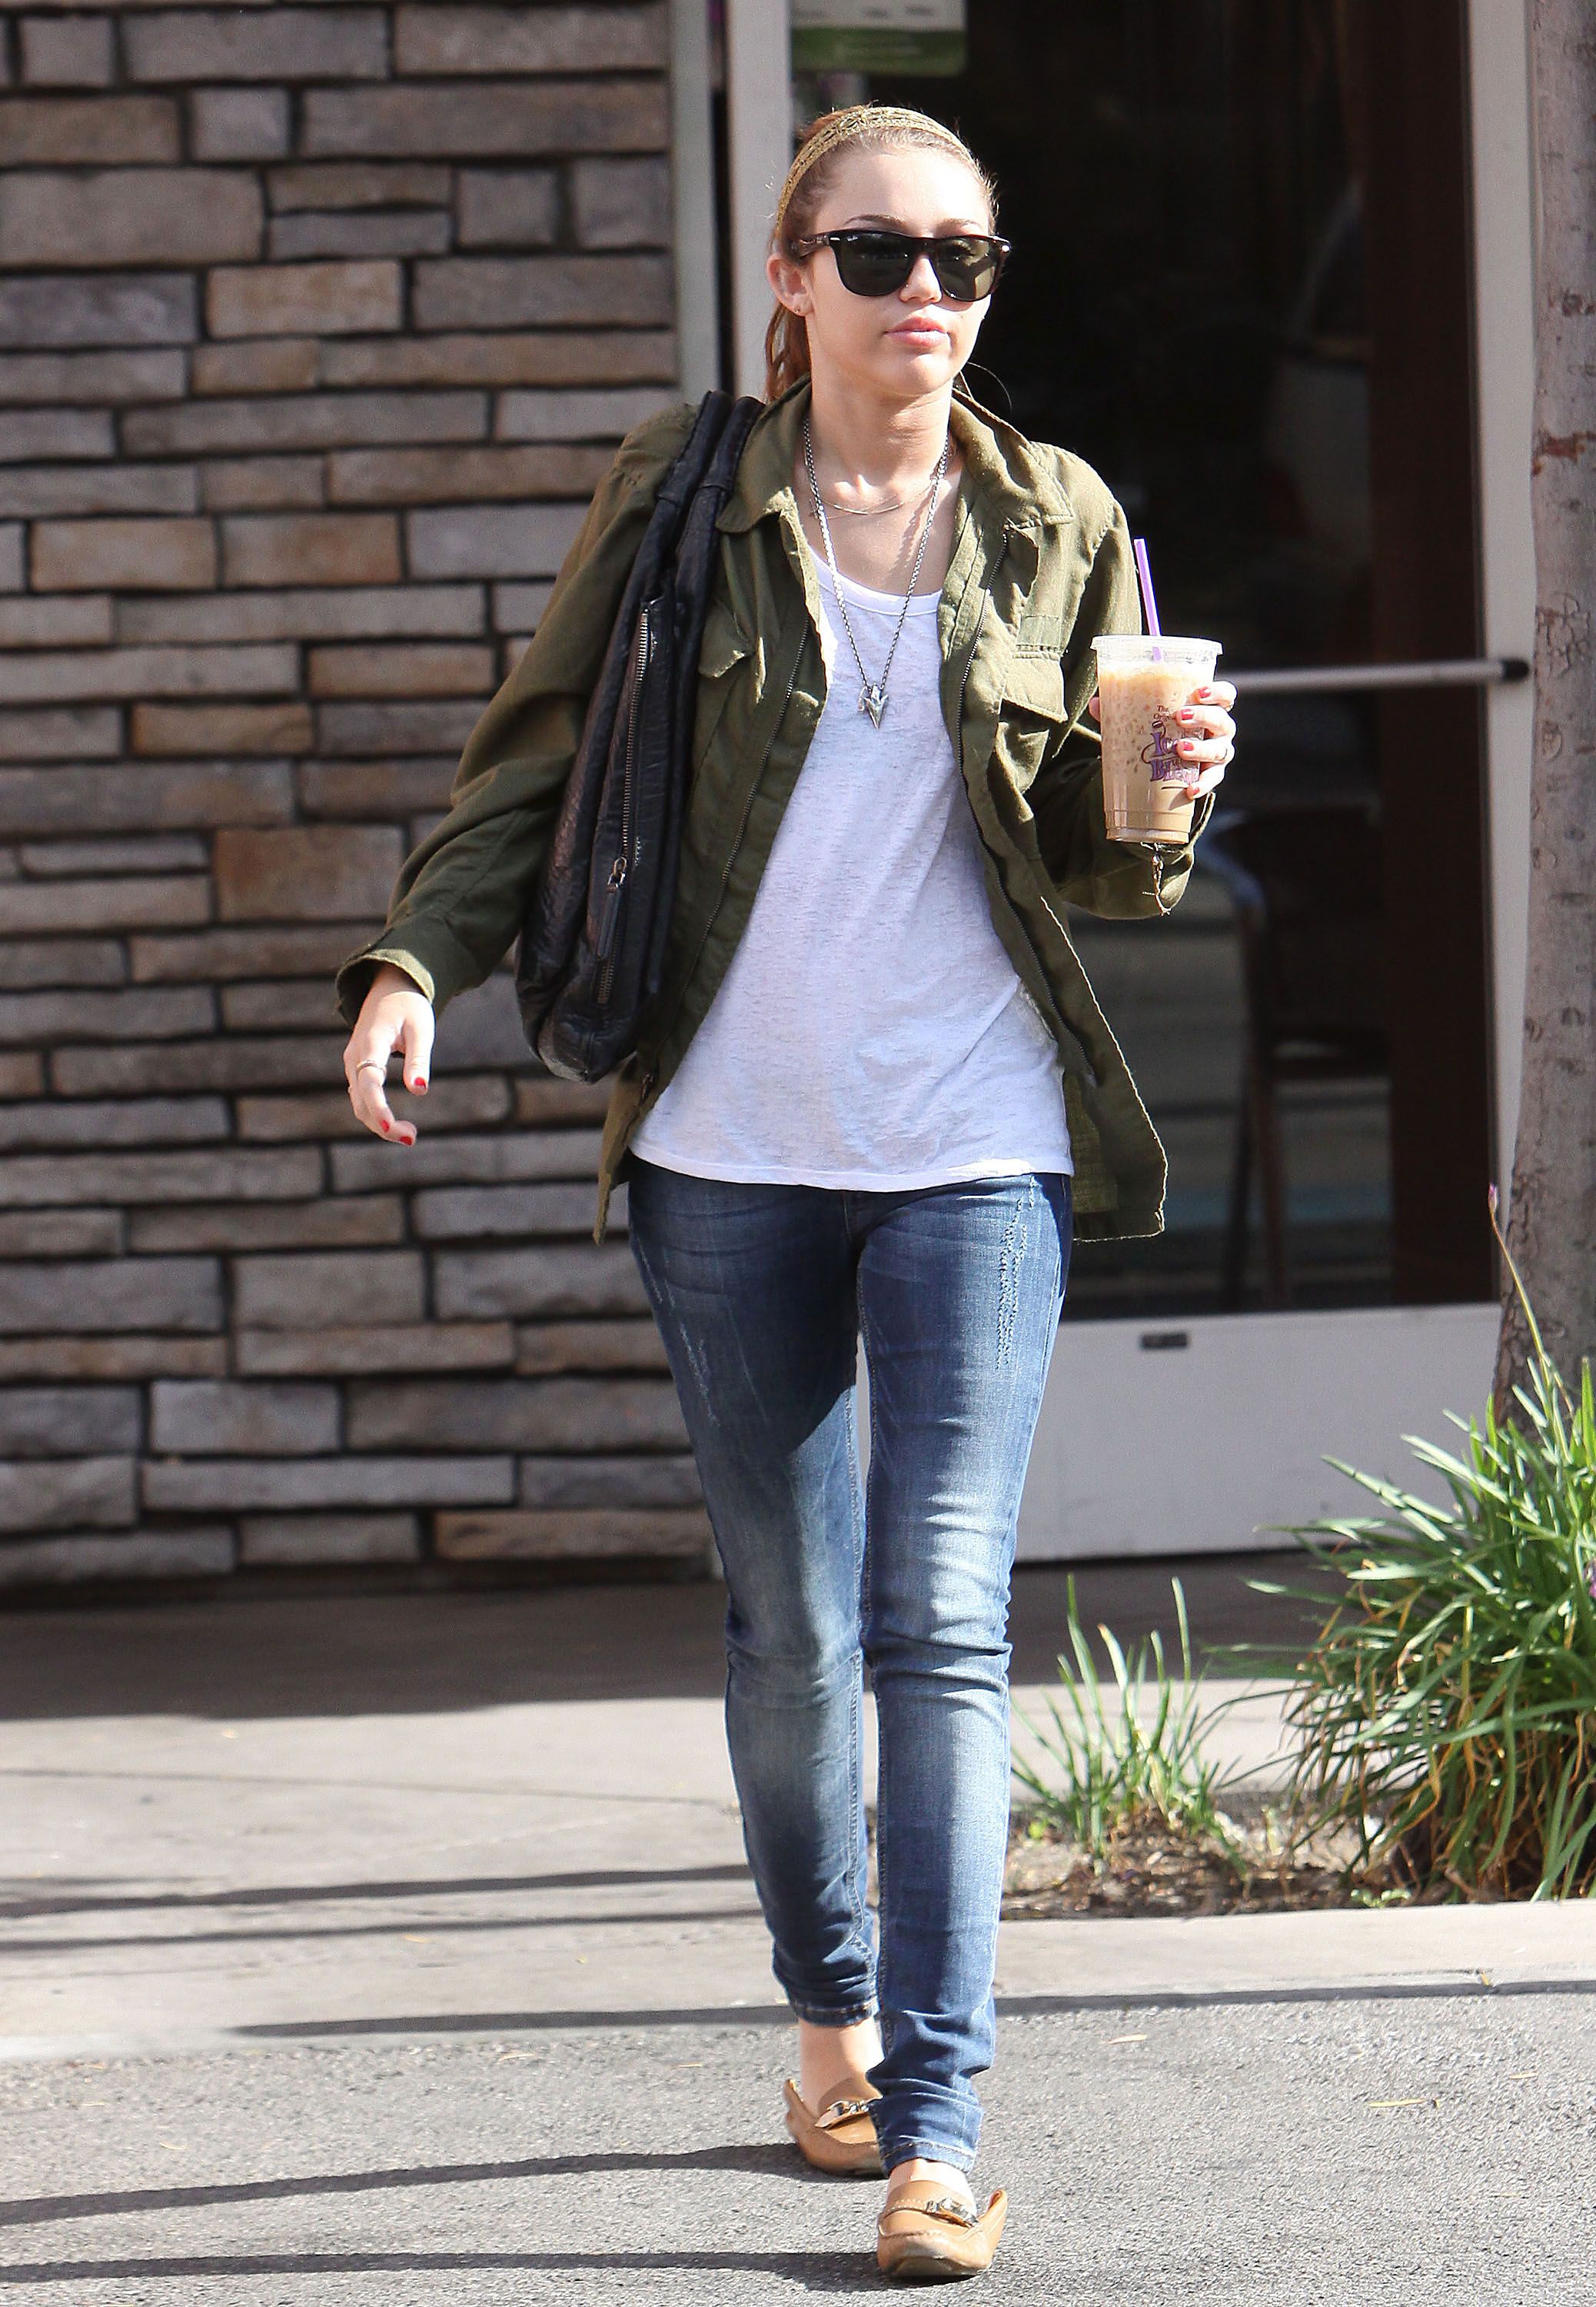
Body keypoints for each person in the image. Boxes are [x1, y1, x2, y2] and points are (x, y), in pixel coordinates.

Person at [337, 102, 1235, 2287]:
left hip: (972, 1141)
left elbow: (1105, 869)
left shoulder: (1060, 517)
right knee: (790, 1629)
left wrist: (1166, 794)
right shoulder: (681, 494)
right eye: (879, 252)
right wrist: (415, 958)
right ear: (789, 274)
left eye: (964, 260)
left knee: (940, 1621)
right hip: (727, 1149)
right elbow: (534, 753)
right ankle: (825, 2017)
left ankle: (940, 2128)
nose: (925, 291)